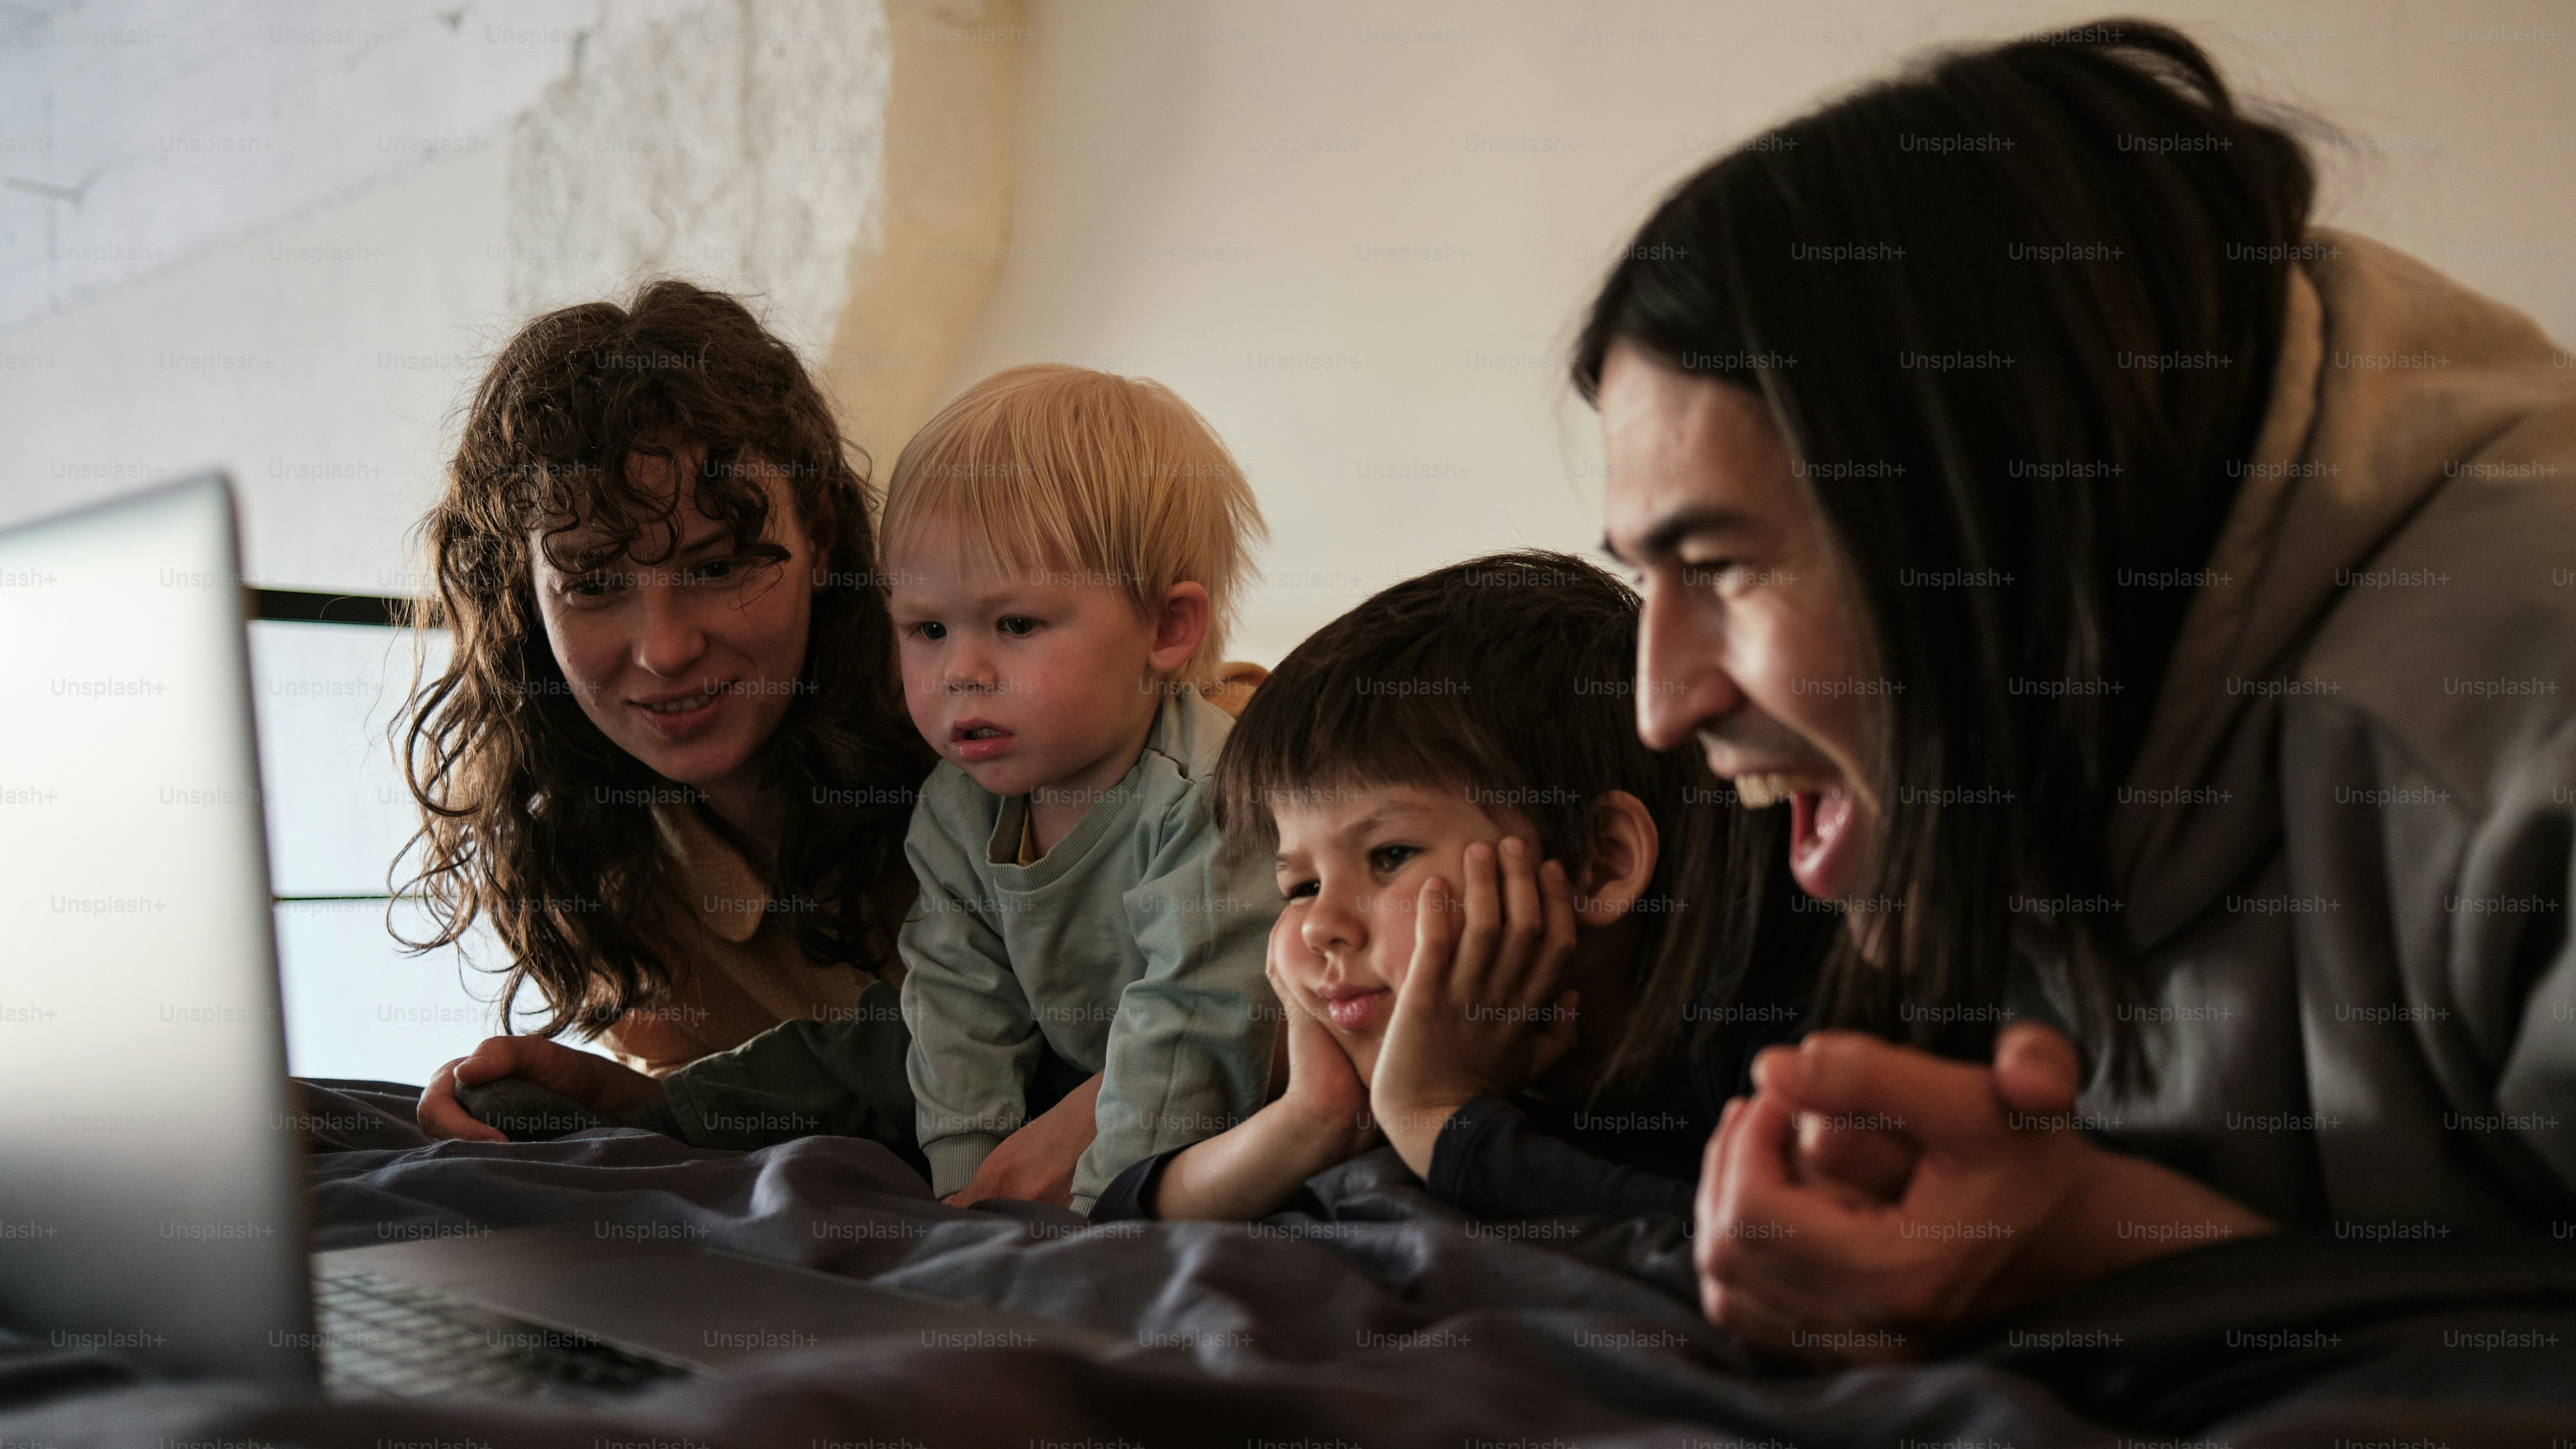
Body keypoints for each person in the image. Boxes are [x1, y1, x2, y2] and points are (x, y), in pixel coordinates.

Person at [1578, 20, 2576, 1361]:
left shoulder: (2527, 723)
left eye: (1721, 561)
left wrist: (2161, 1272)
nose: (1661, 703)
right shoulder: (2072, 680)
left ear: (2004, 503)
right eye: (1647, 575)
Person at [1093, 552, 1827, 1223]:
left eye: (1390, 855)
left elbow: (1788, 1261)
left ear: (1599, 864)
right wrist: (1314, 1117)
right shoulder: (1394, 1048)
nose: (1321, 926)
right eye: (1304, 884)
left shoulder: (1766, 1042)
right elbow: (1121, 1226)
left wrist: (1436, 1116)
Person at [405, 280, 936, 1146]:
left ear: (823, 538)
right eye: (595, 585)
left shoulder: (991, 726)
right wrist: (622, 1102)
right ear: (530, 601)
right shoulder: (615, 884)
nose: (665, 649)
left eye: (719, 566)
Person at [882, 364, 1279, 1214]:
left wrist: (1099, 1217)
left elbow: (1192, 1034)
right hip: (1109, 1106)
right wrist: (967, 1199)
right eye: (927, 628)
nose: (961, 671)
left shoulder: (1210, 800)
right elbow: (956, 1011)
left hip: (1232, 1127)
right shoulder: (956, 812)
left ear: (1167, 628)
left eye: (1016, 624)